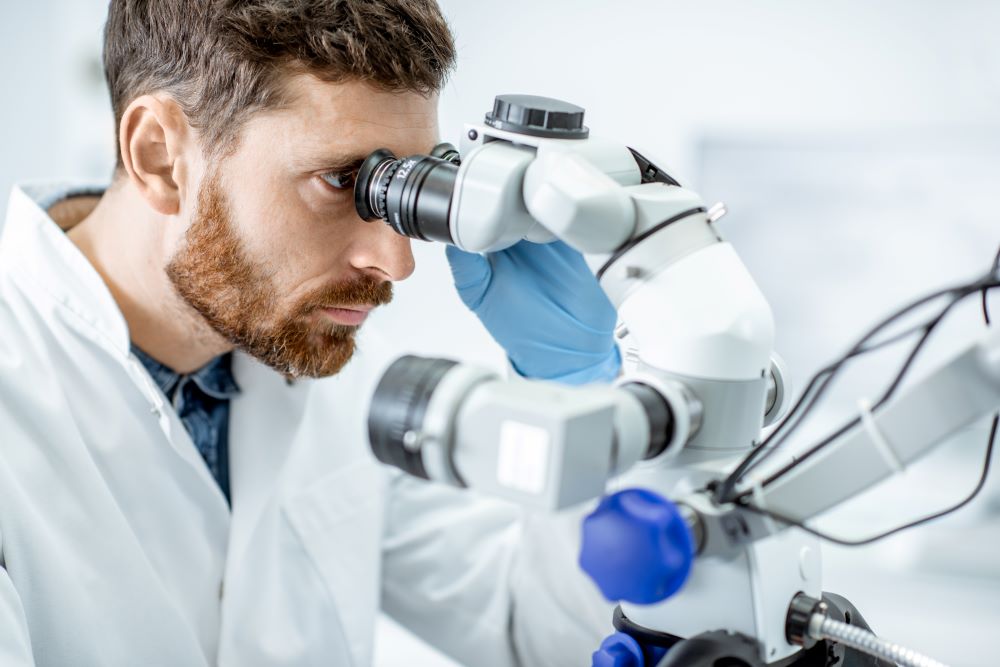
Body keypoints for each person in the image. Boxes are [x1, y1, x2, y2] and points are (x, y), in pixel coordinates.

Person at [0, 1, 623, 665]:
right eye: (341, 180)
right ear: (160, 155)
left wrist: (582, 396)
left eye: (399, 187)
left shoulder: (340, 384)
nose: (397, 261)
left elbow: (538, 634)